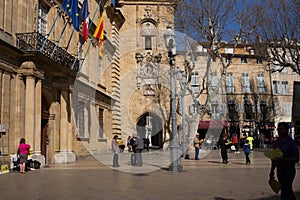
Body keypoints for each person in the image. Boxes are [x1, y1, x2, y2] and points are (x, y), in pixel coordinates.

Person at [269, 122, 299, 200]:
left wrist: (284, 159)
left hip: (289, 169)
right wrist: (272, 171)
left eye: (281, 129)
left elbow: (296, 158)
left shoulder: (291, 143)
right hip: (280, 170)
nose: (279, 131)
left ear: (287, 130)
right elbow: (273, 158)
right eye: (278, 129)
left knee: (286, 189)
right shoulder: (276, 143)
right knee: (285, 189)